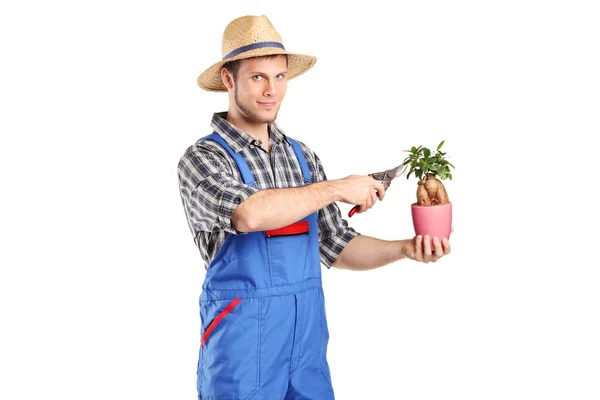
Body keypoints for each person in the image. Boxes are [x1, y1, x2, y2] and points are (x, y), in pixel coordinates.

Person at [177, 14, 451, 400]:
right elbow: (249, 214)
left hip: (305, 346)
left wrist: (405, 249)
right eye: (257, 77)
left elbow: (336, 245)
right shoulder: (203, 158)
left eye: (280, 76)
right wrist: (339, 187)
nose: (271, 89)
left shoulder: (302, 157)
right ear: (228, 79)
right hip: (241, 350)